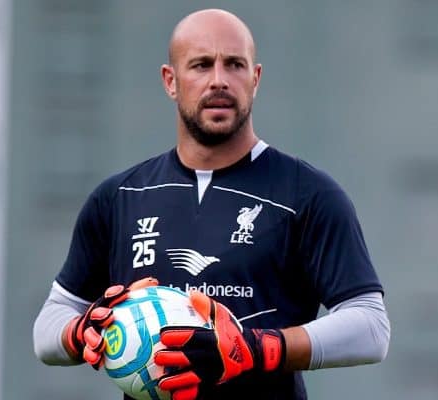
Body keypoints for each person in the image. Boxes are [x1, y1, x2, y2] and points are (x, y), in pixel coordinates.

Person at [33, 8, 391, 400]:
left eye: (234, 65)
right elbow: (48, 327)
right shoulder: (119, 198)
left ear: (255, 79)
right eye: (201, 65)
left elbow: (371, 328)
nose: (218, 80)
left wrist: (257, 348)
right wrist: (80, 331)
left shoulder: (309, 193)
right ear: (170, 81)